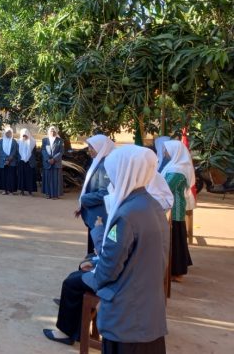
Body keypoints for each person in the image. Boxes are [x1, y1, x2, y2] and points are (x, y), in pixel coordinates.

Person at [87, 145, 169, 353]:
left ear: (124, 172)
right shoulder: (153, 205)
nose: (111, 180)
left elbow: (108, 269)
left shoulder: (126, 215)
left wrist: (92, 281)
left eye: (112, 173)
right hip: (149, 312)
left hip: (126, 319)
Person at [161, 140, 195, 281]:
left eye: (166, 149)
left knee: (175, 239)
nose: (164, 152)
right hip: (173, 207)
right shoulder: (174, 166)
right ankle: (177, 267)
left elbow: (166, 187)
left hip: (174, 209)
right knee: (176, 239)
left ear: (174, 151)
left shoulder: (178, 170)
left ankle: (177, 272)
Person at [75, 134, 114, 254]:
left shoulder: (104, 165)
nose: (89, 150)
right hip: (94, 215)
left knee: (96, 250)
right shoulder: (97, 161)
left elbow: (105, 192)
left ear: (101, 147)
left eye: (92, 147)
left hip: (99, 216)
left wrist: (84, 199)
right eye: (89, 147)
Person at [41, 126, 64, 199]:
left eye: (54, 131)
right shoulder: (45, 140)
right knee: (48, 178)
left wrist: (54, 159)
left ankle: (55, 195)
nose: (52, 132)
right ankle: (48, 194)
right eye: (51, 131)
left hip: (56, 162)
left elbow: (61, 151)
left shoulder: (60, 140)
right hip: (47, 162)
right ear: (48, 132)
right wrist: (48, 159)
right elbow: (43, 150)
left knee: (55, 179)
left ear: (56, 132)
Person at [0, 126, 19, 194]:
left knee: (11, 176)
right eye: (7, 132)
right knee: (3, 176)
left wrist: (10, 158)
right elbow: (0, 150)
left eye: (10, 133)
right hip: (3, 161)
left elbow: (15, 150)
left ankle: (11, 190)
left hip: (12, 161)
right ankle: (4, 190)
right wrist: (5, 159)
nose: (8, 134)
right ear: (4, 133)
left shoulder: (14, 141)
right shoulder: (1, 141)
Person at [16, 128, 36, 195]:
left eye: (26, 135)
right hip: (21, 162)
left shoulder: (33, 142)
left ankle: (30, 191)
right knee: (21, 176)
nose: (24, 136)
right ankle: (22, 191)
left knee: (29, 177)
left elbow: (34, 152)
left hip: (30, 162)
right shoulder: (18, 142)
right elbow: (17, 152)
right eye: (23, 135)